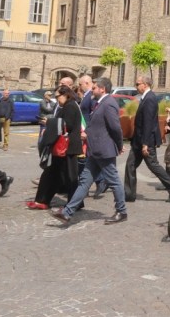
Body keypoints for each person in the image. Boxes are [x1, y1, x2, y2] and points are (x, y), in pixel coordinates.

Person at [51, 77, 126, 225]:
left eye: (94, 88)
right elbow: (97, 125)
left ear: (102, 89)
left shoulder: (109, 104)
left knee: (114, 181)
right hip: (95, 150)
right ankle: (67, 212)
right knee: (85, 181)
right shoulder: (100, 103)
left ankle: (121, 211)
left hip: (104, 150)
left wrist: (119, 145)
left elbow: (115, 128)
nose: (92, 90)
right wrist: (87, 134)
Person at [124, 75, 170, 202]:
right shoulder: (146, 98)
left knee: (153, 165)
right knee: (130, 165)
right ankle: (129, 194)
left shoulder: (149, 98)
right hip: (138, 140)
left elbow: (148, 123)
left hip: (145, 141)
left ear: (145, 85)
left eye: (138, 84)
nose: (136, 86)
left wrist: (145, 144)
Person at [30, 85, 83, 210]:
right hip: (62, 146)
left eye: (58, 96)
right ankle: (42, 200)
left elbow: (67, 125)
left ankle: (75, 203)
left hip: (68, 146)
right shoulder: (66, 105)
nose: (57, 99)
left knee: (71, 177)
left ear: (66, 95)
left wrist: (48, 122)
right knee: (51, 173)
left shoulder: (71, 105)